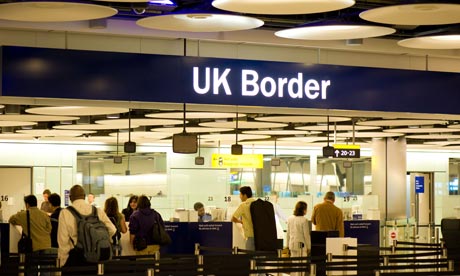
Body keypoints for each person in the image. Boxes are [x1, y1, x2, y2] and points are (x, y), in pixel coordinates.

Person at [57, 185, 116, 268]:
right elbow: (112, 229)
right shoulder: (97, 210)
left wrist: (62, 261)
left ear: (70, 197)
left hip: (75, 258)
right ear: (84, 196)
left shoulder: (65, 212)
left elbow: (63, 240)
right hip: (95, 257)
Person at [9, 195, 53, 275]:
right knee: (45, 270)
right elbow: (49, 229)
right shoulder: (44, 214)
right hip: (46, 245)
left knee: (32, 270)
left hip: (33, 246)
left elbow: (11, 219)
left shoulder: (23, 214)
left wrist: (20, 217)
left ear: (27, 204)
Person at [231, 186, 256, 250]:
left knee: (250, 257)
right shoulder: (257, 204)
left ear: (244, 195)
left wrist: (240, 221)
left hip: (250, 236)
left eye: (240, 194)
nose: (240, 196)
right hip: (260, 236)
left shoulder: (244, 205)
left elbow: (233, 218)